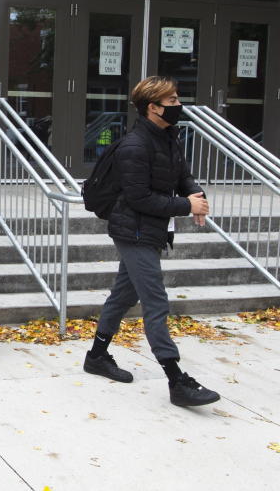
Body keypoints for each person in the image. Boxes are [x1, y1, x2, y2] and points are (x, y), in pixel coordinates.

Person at [83, 76, 220, 407]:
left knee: (123, 294)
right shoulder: (134, 147)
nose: (178, 105)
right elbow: (139, 198)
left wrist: (193, 193)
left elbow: (181, 173)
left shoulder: (167, 136)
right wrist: (187, 206)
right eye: (171, 101)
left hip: (151, 229)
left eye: (176, 99)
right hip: (135, 232)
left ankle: (96, 356)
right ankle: (177, 380)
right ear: (152, 107)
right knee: (155, 302)